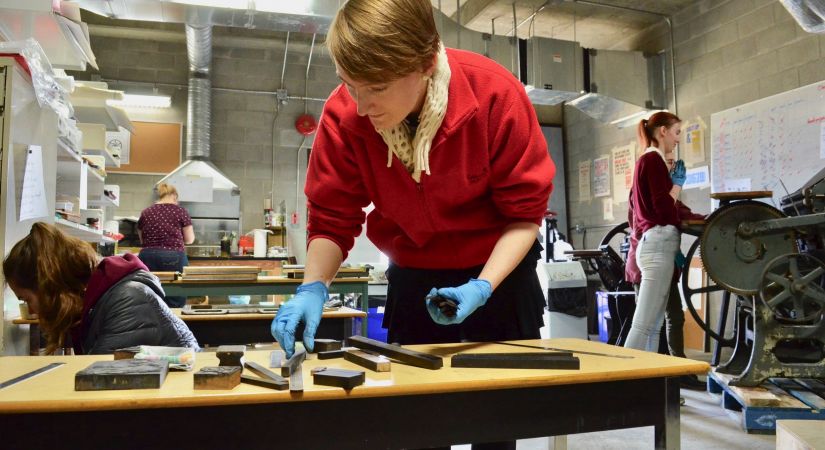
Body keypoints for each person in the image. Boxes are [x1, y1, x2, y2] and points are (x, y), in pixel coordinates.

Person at [272, 0, 553, 374]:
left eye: (377, 87)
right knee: (419, 418)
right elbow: (331, 219)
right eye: (348, 84)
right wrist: (313, 287)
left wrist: (482, 287)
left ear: (426, 65)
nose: (360, 106)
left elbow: (524, 215)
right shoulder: (344, 117)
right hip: (414, 280)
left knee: (497, 415)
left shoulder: (495, 96)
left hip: (500, 275)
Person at [3, 222, 199, 355]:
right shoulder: (96, 302)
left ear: (48, 286)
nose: (30, 310)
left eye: (27, 299)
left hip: (185, 411)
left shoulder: (127, 300)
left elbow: (100, 385)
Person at [625, 149, 706, 391]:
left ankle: (664, 376)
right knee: (647, 324)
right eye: (666, 165)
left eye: (671, 165)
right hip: (649, 263)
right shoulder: (644, 193)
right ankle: (638, 379)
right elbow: (662, 215)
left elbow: (680, 213)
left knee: (662, 320)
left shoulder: (668, 195)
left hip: (662, 260)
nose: (670, 169)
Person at [623, 111, 688, 354]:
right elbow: (662, 210)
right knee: (642, 326)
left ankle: (651, 384)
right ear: (663, 131)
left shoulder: (650, 161)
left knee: (653, 326)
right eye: (676, 132)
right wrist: (676, 185)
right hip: (657, 244)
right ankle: (624, 383)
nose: (677, 139)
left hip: (657, 244)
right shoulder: (652, 160)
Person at [137, 182, 194, 307]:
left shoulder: (146, 212)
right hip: (173, 256)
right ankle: (174, 324)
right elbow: (190, 239)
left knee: (150, 296)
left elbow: (142, 239)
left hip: (147, 256)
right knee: (175, 297)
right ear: (174, 196)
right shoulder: (180, 211)